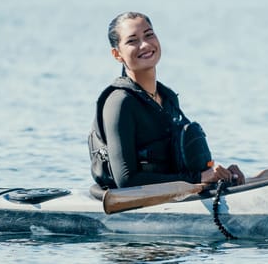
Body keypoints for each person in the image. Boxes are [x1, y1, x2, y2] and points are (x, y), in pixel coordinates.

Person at [88, 11, 245, 189]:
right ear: (117, 54)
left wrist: (223, 174)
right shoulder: (119, 103)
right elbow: (126, 181)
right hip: (127, 203)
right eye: (132, 41)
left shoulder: (167, 97)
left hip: (176, 193)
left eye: (149, 35)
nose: (145, 44)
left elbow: (180, 164)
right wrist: (197, 178)